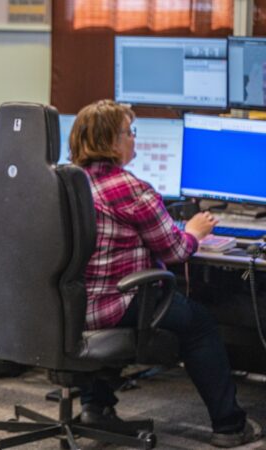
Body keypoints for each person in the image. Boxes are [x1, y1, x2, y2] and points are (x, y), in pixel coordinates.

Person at [68, 99, 261, 447]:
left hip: (74, 303)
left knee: (179, 311)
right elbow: (175, 250)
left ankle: (96, 406)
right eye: (129, 132)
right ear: (110, 141)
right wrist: (197, 231)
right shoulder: (129, 188)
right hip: (117, 300)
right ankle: (229, 426)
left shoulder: (70, 183)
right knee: (200, 324)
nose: (134, 140)